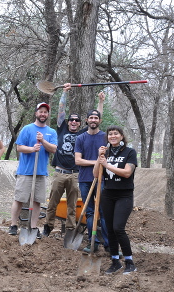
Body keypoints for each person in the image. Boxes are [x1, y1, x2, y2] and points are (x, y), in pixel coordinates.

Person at [42, 84, 87, 237]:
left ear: (80, 123)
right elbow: (61, 110)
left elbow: (96, 119)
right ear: (68, 122)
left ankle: (69, 230)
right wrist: (64, 92)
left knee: (72, 205)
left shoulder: (82, 134)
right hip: (60, 172)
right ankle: (47, 226)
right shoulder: (61, 129)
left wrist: (101, 102)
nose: (73, 122)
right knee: (52, 202)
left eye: (76, 120)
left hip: (75, 174)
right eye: (71, 120)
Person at [8, 102, 58, 236]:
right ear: (36, 113)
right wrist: (32, 149)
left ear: (48, 114)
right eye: (40, 111)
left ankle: (33, 227)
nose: (43, 114)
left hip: (41, 172)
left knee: (37, 201)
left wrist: (43, 141)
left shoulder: (51, 132)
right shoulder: (27, 129)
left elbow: (53, 149)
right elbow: (19, 147)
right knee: (19, 199)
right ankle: (13, 225)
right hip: (25, 171)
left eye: (45, 112)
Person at [94, 126, 138, 274]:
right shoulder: (105, 152)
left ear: (121, 136)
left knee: (118, 228)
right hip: (108, 194)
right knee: (110, 229)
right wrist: (99, 158)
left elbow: (127, 172)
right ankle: (115, 261)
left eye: (115, 134)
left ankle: (130, 262)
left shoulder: (129, 152)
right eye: (110, 134)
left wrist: (107, 165)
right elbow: (95, 174)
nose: (112, 136)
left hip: (124, 195)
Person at [74, 94, 108, 252]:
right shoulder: (81, 138)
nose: (93, 120)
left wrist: (101, 102)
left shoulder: (106, 137)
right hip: (85, 179)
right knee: (89, 212)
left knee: (103, 211)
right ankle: (91, 242)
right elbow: (78, 161)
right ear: (86, 121)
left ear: (100, 121)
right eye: (91, 118)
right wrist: (96, 162)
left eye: (96, 118)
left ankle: (108, 244)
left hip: (102, 180)